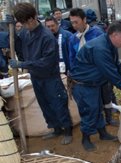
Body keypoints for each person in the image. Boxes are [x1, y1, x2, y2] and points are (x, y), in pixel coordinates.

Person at [69, 19, 121, 151]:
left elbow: (116, 66)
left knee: (97, 109)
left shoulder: (109, 44)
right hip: (83, 85)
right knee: (89, 111)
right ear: (114, 35)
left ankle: (102, 133)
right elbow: (110, 72)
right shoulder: (100, 48)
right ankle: (86, 138)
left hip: (94, 83)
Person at [9, 2, 73, 145]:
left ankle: (67, 130)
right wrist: (11, 27)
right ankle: (56, 128)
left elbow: (46, 62)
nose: (23, 26)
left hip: (50, 77)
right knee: (45, 104)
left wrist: (23, 64)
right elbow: (16, 43)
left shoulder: (47, 37)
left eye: (24, 23)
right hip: (36, 77)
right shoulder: (26, 33)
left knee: (58, 103)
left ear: (32, 19)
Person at [85, 8, 119, 126]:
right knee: (108, 93)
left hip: (100, 70)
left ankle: (108, 118)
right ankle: (109, 116)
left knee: (104, 94)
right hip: (103, 69)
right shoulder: (101, 27)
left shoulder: (95, 31)